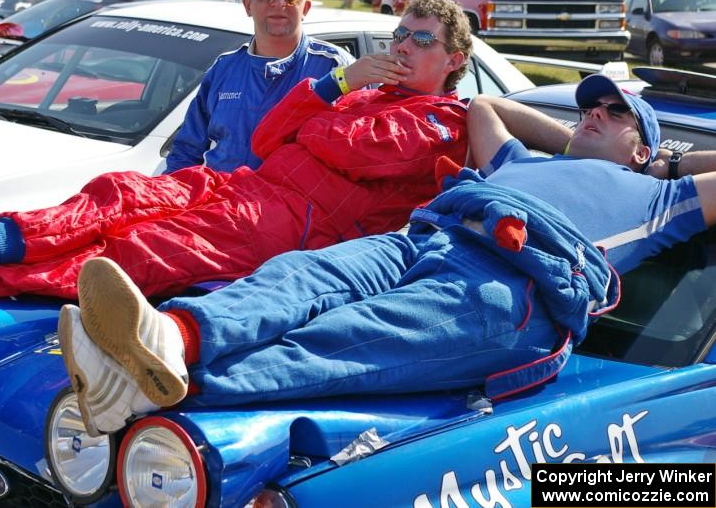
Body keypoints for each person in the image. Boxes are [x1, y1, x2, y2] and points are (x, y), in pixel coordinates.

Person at [57, 74, 716, 436]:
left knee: (338, 343)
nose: (595, 111)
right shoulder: (519, 159)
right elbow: (485, 105)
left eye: (615, 111)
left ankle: (156, 394)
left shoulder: (660, 200)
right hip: (425, 235)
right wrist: (575, 135)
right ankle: (170, 335)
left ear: (641, 148)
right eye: (589, 105)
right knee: (297, 274)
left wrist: (661, 164)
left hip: (508, 287)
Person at [0, 0, 472, 309]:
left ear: (453, 61)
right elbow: (270, 139)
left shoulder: (446, 119)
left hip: (300, 226)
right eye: (400, 34)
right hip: (250, 184)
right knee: (121, 190)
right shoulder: (358, 90)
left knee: (146, 247)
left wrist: (327, 106)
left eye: (422, 40)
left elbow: (354, 154)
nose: (403, 46)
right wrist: (335, 87)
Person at [166, 0, 354, 173]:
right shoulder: (224, 69)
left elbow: (358, 155)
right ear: (248, 5)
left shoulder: (336, 68)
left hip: (297, 206)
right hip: (222, 204)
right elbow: (186, 153)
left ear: (306, 8)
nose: (278, 3)